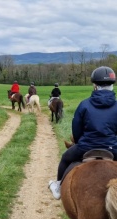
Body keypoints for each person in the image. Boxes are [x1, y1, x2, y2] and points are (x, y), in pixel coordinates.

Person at [49, 66, 117, 200]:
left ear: (94, 85)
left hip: (86, 146)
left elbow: (76, 129)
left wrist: (81, 142)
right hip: (113, 148)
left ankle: (57, 187)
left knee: (65, 158)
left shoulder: (84, 105)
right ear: (112, 85)